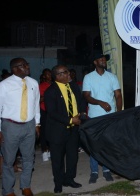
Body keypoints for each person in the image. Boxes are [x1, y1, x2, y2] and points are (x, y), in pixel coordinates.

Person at [0, 58, 40, 196]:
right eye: (23, 65)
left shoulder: (33, 83)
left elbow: (36, 105)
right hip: (10, 126)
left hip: (29, 125)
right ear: (15, 69)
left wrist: (37, 123)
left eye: (27, 64)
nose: (27, 67)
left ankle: (25, 186)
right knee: (9, 160)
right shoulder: (4, 85)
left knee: (29, 158)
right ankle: (8, 190)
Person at [44, 65, 87, 194]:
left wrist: (82, 113)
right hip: (57, 130)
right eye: (66, 72)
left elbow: (80, 101)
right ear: (58, 76)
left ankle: (69, 179)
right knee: (57, 159)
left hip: (74, 129)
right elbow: (52, 112)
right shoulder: (50, 91)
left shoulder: (73, 86)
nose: (69, 74)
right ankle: (58, 182)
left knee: (73, 156)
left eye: (68, 72)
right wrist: (70, 119)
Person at [82, 52, 122, 184]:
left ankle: (106, 170)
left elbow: (118, 95)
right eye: (100, 58)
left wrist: (118, 113)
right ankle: (94, 172)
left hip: (109, 117)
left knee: (107, 144)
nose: (103, 60)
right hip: (94, 117)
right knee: (94, 145)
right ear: (95, 62)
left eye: (104, 58)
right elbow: (86, 96)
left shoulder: (112, 77)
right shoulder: (88, 77)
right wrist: (100, 102)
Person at [38, 68, 52, 162]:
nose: (49, 76)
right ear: (44, 76)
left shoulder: (54, 85)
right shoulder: (41, 86)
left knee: (52, 132)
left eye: (50, 74)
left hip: (53, 111)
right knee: (43, 132)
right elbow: (39, 99)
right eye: (47, 74)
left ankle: (51, 150)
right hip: (44, 111)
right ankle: (44, 151)